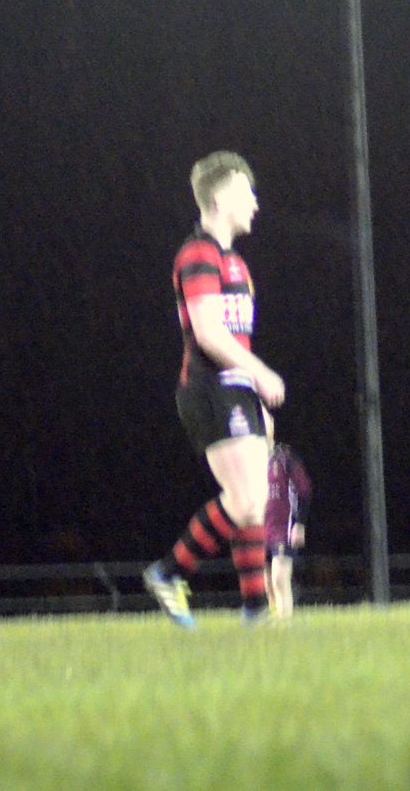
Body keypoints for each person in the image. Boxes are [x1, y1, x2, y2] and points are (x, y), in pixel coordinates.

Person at [143, 151, 285, 628]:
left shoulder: (235, 262)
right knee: (244, 499)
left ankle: (256, 611)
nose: (256, 203)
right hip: (209, 388)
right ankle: (168, 573)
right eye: (248, 192)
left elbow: (236, 337)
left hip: (234, 390)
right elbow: (208, 333)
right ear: (221, 198)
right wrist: (261, 374)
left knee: (254, 503)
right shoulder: (198, 254)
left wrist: (255, 397)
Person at [265, 440, 312, 620]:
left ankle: (285, 622)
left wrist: (300, 524)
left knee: (279, 578)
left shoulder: (285, 458)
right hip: (262, 528)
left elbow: (304, 491)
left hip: (283, 528)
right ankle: (275, 621)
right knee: (267, 582)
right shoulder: (250, 459)